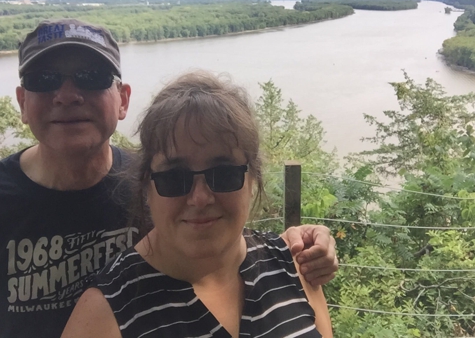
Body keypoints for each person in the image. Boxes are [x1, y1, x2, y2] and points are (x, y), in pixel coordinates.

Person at [0, 19, 337, 338]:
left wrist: (299, 247)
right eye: (44, 79)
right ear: (22, 103)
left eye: (91, 76)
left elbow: (221, 234)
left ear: (123, 99)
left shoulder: (163, 181)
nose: (67, 94)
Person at [62, 71, 333, 338]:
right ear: (147, 186)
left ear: (252, 179)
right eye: (174, 177)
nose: (200, 197)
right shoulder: (106, 313)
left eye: (224, 173)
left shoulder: (293, 267)